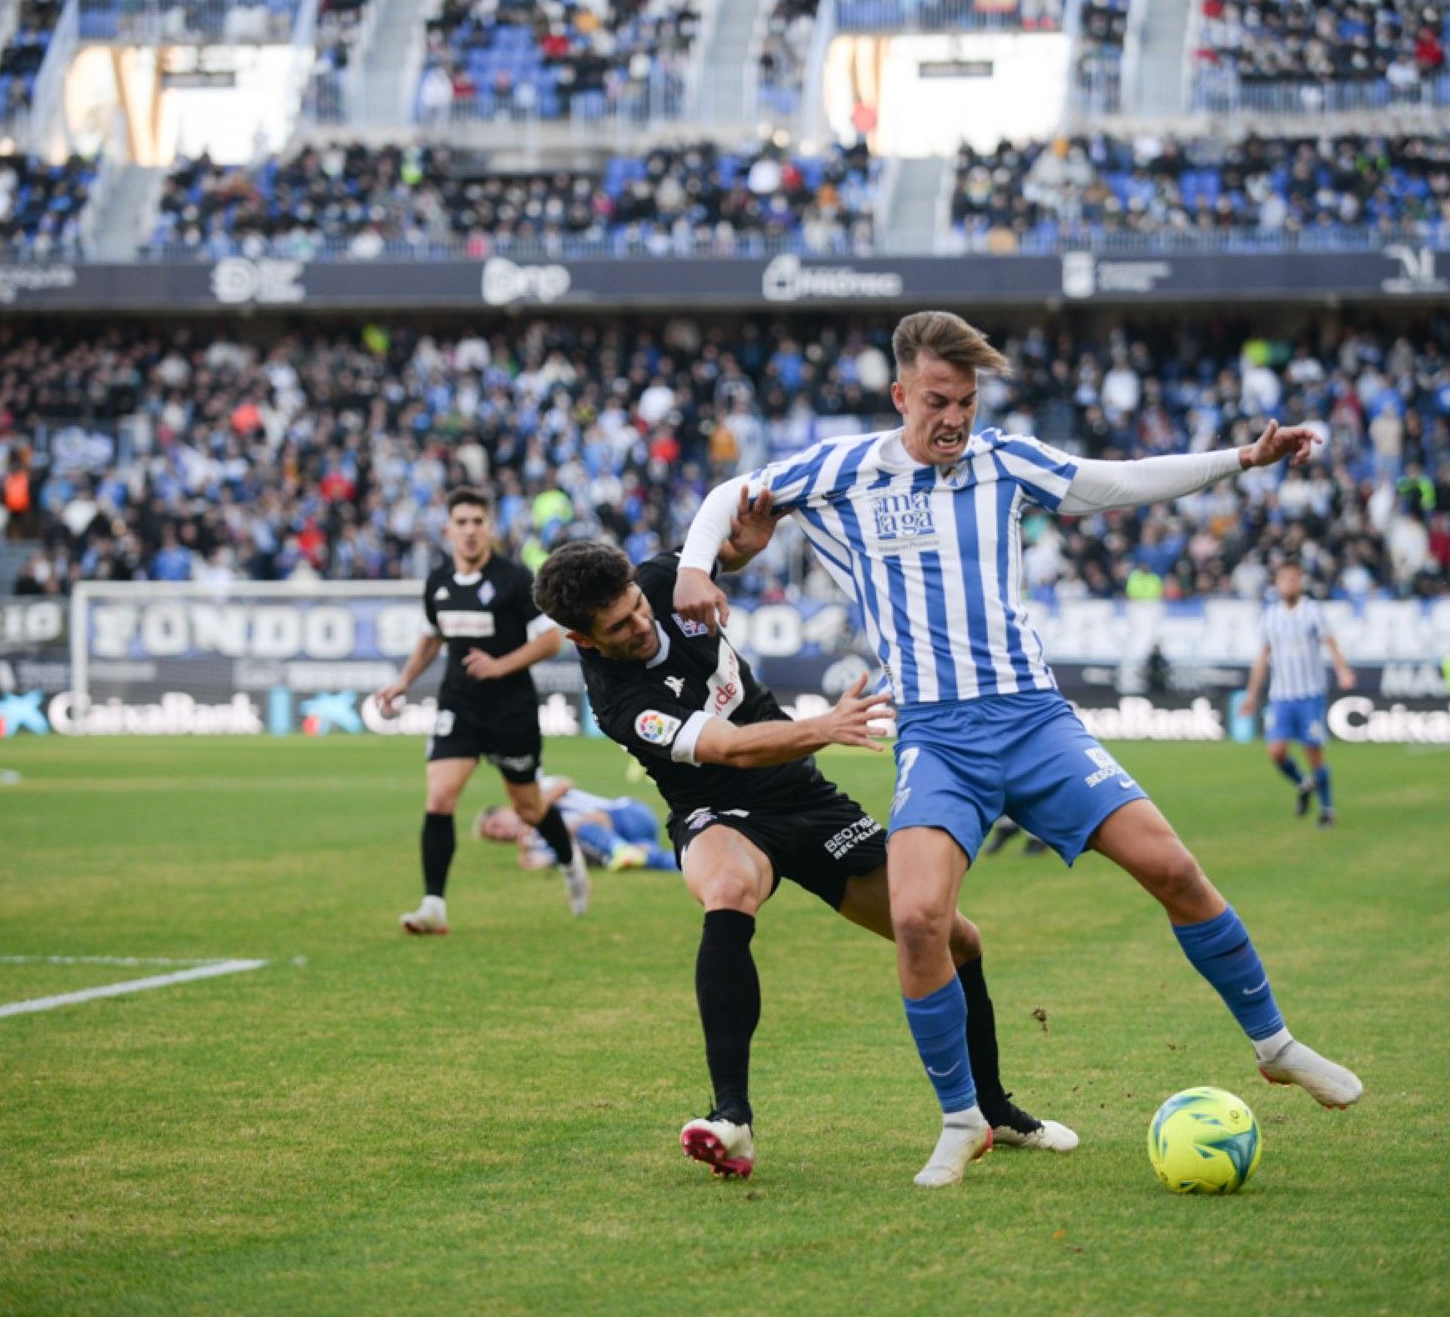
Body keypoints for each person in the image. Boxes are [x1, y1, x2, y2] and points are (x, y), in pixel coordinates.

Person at [674, 310, 1361, 1188]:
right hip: (936, 733)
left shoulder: (1008, 461)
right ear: (900, 396)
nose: (954, 418)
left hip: (1035, 720)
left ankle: (1275, 1044)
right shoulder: (843, 469)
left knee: (1175, 869)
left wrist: (1242, 459)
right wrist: (698, 565)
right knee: (920, 918)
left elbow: (1119, 482)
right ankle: (963, 1118)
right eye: (936, 401)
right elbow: (729, 496)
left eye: (965, 401)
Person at [534, 534, 1077, 1181]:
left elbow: (723, 544)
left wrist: (738, 547)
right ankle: (731, 1118)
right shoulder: (620, 703)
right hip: (719, 810)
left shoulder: (661, 579)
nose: (641, 623)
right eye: (620, 626)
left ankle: (996, 1110)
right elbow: (729, 748)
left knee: (953, 936)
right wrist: (825, 725)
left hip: (802, 796)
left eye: (636, 606)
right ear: (583, 641)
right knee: (728, 887)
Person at [372, 487, 590, 935]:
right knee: (439, 797)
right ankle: (433, 905)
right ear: (448, 529)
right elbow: (433, 636)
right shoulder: (438, 583)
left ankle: (570, 862)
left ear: (489, 528)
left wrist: (499, 666)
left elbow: (551, 640)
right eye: (462, 523)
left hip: (511, 709)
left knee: (529, 808)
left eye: (478, 522)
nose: (470, 531)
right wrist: (404, 681)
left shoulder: (514, 580)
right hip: (459, 703)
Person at [1239, 563, 1357, 827]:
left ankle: (1327, 810)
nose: (1289, 584)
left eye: (1293, 579)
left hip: (1309, 695)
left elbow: (1330, 642)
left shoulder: (1312, 611)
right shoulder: (1270, 616)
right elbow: (1262, 657)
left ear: (1300, 582)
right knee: (1276, 752)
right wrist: (1251, 695)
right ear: (1278, 584)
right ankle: (1304, 783)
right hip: (1281, 696)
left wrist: (1342, 671)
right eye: (1284, 579)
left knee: (1313, 753)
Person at [475, 774, 682, 873]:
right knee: (651, 860)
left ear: (504, 809)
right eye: (496, 838)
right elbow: (572, 855)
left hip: (628, 814)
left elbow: (565, 784)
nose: (501, 834)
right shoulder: (535, 842)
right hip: (626, 838)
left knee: (578, 827)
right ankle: (685, 862)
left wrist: (535, 816)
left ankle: (620, 850)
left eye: (496, 826)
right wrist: (544, 861)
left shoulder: (534, 795)